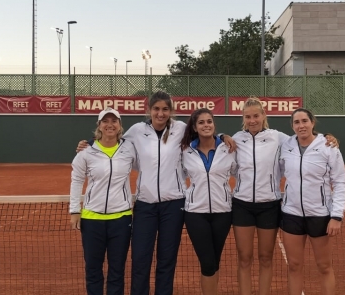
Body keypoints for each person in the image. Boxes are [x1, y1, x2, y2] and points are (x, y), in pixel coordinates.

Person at [75, 91, 236, 295]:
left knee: (166, 260)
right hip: (145, 205)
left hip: (174, 206)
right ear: (149, 110)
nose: (160, 113)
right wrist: (89, 143)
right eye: (156, 109)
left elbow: (206, 133)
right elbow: (112, 137)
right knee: (141, 258)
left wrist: (223, 136)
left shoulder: (181, 129)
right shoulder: (136, 131)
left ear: (171, 111)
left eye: (165, 109)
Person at [231, 97, 339, 295]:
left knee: (266, 257)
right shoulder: (236, 139)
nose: (252, 120)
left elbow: (305, 138)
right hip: (242, 205)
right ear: (243, 118)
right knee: (244, 258)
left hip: (270, 205)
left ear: (264, 115)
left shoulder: (279, 138)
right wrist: (221, 135)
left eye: (256, 115)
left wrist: (327, 137)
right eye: (248, 117)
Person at [69, 107, 139, 295]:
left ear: (119, 125)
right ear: (99, 126)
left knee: (117, 270)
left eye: (114, 121)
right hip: (92, 220)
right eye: (105, 121)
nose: (110, 125)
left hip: (121, 219)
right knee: (93, 269)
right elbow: (76, 180)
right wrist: (74, 210)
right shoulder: (86, 152)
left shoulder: (129, 148)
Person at [278, 108, 345, 295]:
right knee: (294, 265)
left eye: (304, 121)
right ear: (292, 126)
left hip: (320, 215)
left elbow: (340, 182)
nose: (301, 126)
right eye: (296, 122)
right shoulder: (286, 144)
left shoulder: (328, 147)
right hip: (291, 214)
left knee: (324, 266)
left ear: (312, 122)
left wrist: (337, 216)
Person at [180, 108, 237, 295]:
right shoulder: (185, 151)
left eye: (209, 121)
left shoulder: (228, 148)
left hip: (223, 212)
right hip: (196, 213)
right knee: (207, 262)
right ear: (195, 127)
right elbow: (178, 177)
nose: (206, 125)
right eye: (201, 122)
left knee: (215, 260)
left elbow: (239, 171)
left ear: (214, 124)